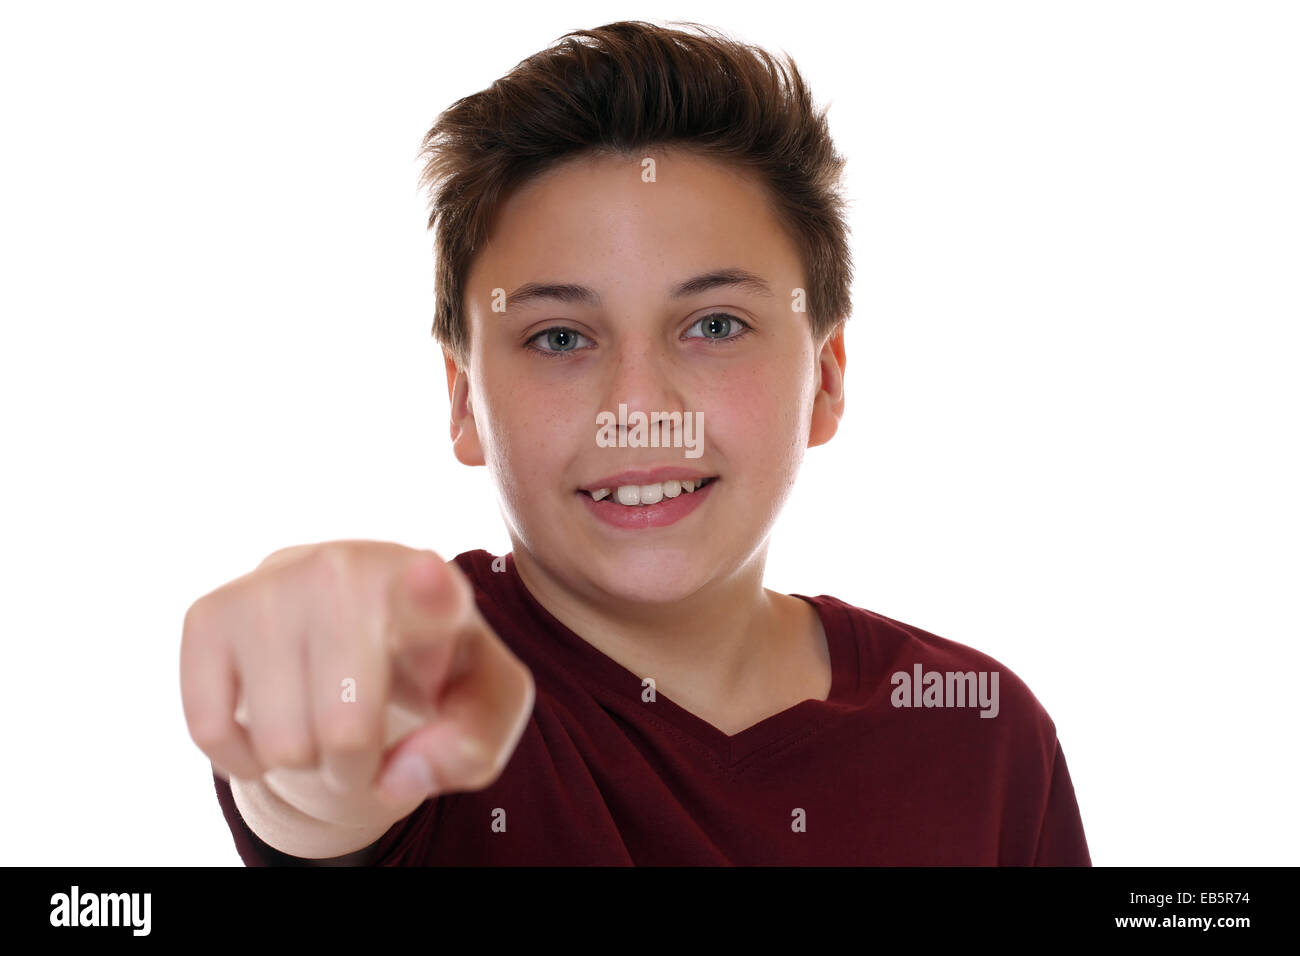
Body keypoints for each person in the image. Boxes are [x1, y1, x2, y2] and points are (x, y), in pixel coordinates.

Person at [181, 19, 1090, 865]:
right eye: (561, 339)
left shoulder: (986, 736)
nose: (639, 407)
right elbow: (314, 785)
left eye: (716, 325)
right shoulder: (429, 678)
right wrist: (305, 694)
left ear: (826, 377)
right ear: (463, 402)